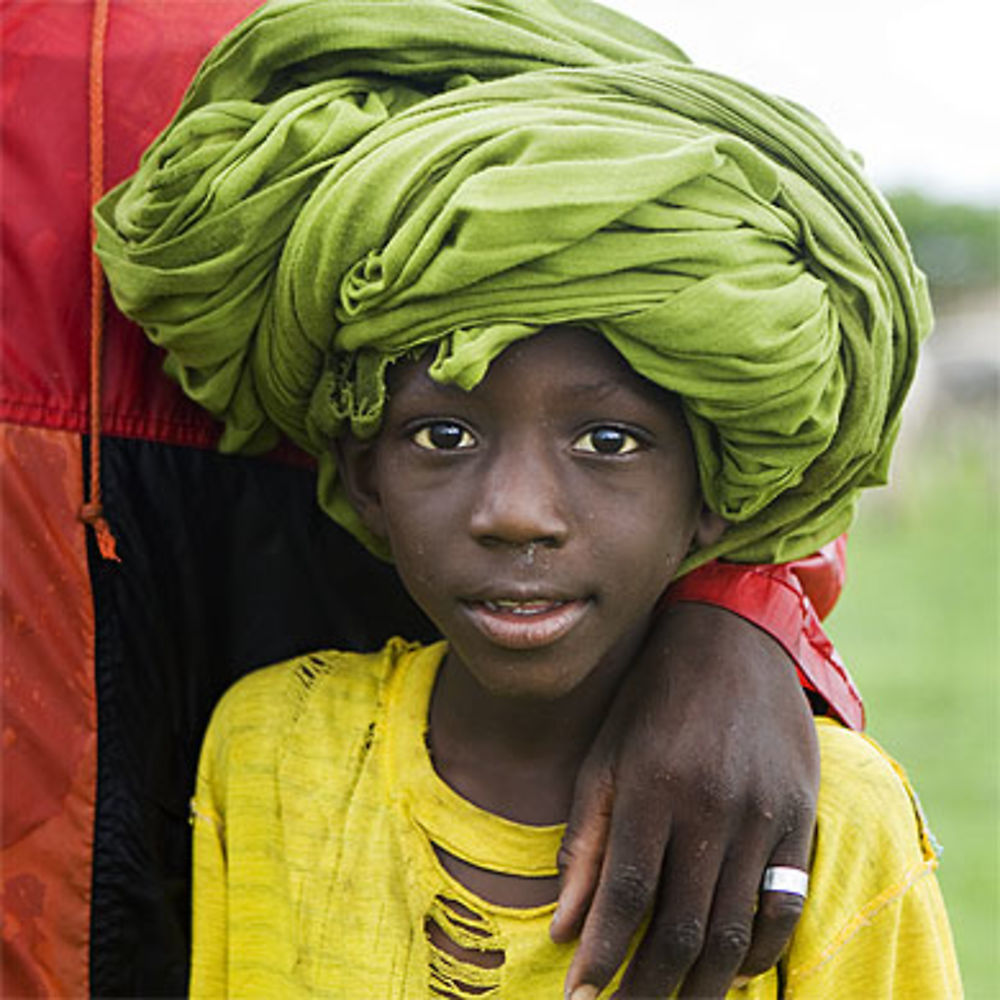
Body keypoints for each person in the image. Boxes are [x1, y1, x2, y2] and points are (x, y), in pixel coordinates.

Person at [90, 0, 956, 995]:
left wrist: (746, 616)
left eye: (607, 440)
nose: (515, 510)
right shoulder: (268, 750)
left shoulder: (838, 822)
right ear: (365, 474)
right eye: (444, 434)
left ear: (714, 495)